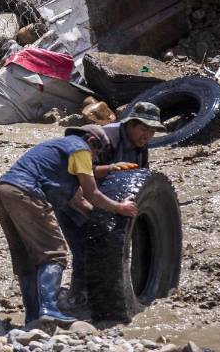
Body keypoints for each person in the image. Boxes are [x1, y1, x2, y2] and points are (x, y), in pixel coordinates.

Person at [0, 125, 138, 326]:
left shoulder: (61, 150)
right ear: (92, 141)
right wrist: (120, 208)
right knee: (54, 254)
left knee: (26, 258)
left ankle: (33, 317)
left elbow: (82, 197)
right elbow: (92, 193)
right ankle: (49, 308)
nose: (95, 158)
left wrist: (110, 171)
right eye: (97, 153)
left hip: (1, 192)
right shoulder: (81, 149)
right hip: (26, 194)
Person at [56, 102, 165, 309]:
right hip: (75, 197)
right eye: (144, 129)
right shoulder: (104, 139)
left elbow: (141, 178)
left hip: (108, 202)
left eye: (152, 131)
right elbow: (79, 170)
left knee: (110, 247)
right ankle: (77, 297)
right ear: (130, 124)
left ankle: (105, 294)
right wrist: (111, 168)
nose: (148, 135)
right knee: (83, 248)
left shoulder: (141, 144)